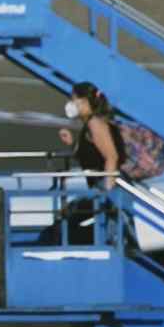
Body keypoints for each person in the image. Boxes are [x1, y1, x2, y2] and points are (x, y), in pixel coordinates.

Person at [57, 81, 121, 243]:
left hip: (106, 188)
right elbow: (91, 157)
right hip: (98, 188)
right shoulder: (89, 124)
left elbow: (111, 157)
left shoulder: (95, 124)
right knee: (69, 217)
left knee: (69, 220)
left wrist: (108, 192)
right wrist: (72, 144)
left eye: (73, 99)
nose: (70, 104)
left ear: (84, 101)